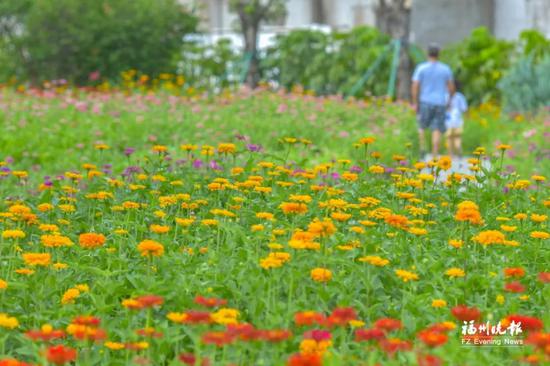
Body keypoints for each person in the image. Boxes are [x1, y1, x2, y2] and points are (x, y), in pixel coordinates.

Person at [411, 44, 455, 158]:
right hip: (440, 102)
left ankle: (422, 147)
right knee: (437, 128)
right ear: (438, 54)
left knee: (422, 125)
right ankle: (435, 153)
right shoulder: (445, 69)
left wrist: (415, 102)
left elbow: (415, 85)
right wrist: (449, 100)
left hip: (425, 101)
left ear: (427, 54)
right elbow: (451, 87)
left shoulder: (421, 68)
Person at [445, 80, 468, 159]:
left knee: (457, 137)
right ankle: (450, 153)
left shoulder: (459, 97)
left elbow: (464, 109)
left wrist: (466, 119)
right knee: (449, 138)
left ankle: (458, 150)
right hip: (448, 121)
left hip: (457, 121)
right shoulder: (445, 96)